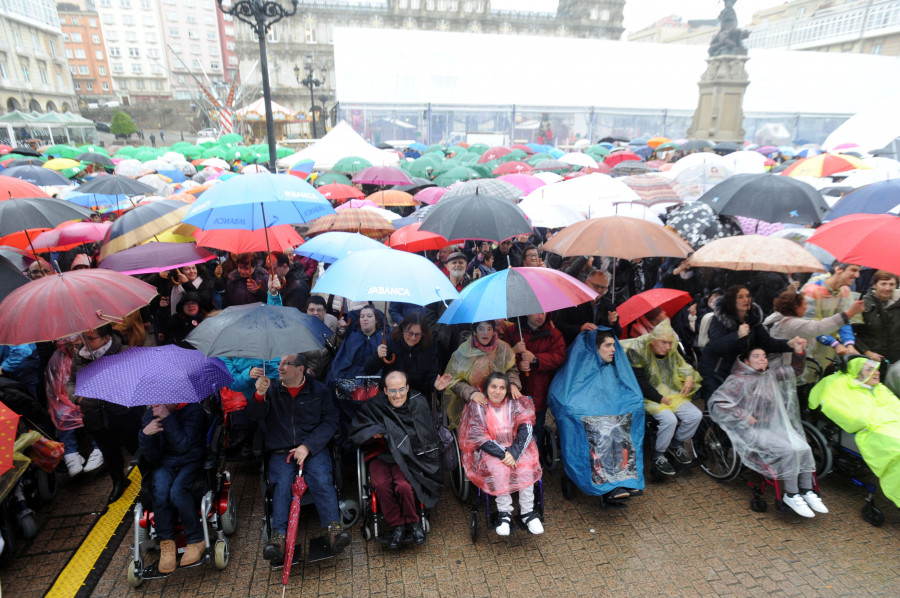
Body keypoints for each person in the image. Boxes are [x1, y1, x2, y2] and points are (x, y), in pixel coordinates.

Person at [245, 353, 350, 562]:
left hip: (312, 448)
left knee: (320, 478)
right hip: (280, 450)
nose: (280, 367)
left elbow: (330, 422)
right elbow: (252, 418)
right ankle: (278, 539)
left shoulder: (319, 390)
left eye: (286, 364)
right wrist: (258, 396)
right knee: (282, 484)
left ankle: (334, 530)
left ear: (300, 369)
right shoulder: (271, 390)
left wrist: (308, 446)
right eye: (280, 363)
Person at [709, 346, 826, 518]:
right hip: (751, 430)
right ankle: (791, 494)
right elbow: (717, 402)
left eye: (764, 356)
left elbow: (796, 371)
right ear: (746, 361)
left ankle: (807, 491)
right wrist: (743, 415)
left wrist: (799, 352)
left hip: (774, 427)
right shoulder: (738, 380)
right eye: (756, 356)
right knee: (789, 451)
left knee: (803, 447)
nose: (762, 359)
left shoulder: (770, 375)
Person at [349, 370, 443, 548]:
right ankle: (397, 525)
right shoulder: (374, 406)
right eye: (392, 391)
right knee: (381, 485)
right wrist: (374, 434)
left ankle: (413, 522)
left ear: (407, 388)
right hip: (381, 455)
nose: (397, 395)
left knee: (404, 485)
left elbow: (425, 434)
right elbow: (359, 429)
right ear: (385, 391)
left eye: (401, 389)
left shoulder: (418, 402)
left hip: (409, 457)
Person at [458, 372, 543, 536]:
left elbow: (526, 427)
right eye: (493, 387)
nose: (497, 391)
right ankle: (504, 513)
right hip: (491, 450)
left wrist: (514, 453)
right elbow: (478, 435)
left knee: (526, 469)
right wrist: (503, 454)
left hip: (515, 447)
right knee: (499, 471)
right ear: (486, 389)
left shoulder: (514, 404)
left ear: (507, 390)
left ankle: (527, 512)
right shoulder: (479, 406)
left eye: (502, 388)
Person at [809, 356, 900, 508]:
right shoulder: (839, 385)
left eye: (876, 369)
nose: (877, 373)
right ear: (858, 373)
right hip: (872, 430)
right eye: (870, 370)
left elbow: (895, 406)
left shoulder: (880, 389)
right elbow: (838, 409)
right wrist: (862, 422)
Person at [67, 325, 142, 503]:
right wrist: (77, 398)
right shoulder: (80, 356)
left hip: (124, 412)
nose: (86, 342)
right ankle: (118, 481)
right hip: (95, 415)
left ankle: (149, 478)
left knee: (137, 447)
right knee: (108, 451)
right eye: (84, 338)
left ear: (106, 338)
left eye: (91, 339)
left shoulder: (123, 352)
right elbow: (71, 382)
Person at [624, 320, 703, 476]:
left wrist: (689, 377)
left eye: (670, 343)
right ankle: (658, 454)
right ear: (653, 340)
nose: (668, 347)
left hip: (670, 391)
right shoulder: (637, 350)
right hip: (647, 395)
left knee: (695, 415)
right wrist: (658, 397)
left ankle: (677, 443)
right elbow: (639, 381)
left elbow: (683, 364)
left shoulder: (671, 349)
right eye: (664, 342)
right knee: (669, 420)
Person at [699, 286, 804, 400]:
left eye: (748, 296)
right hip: (716, 371)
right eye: (740, 297)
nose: (746, 300)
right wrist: (736, 336)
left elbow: (767, 343)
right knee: (718, 406)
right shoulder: (721, 319)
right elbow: (714, 346)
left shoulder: (753, 319)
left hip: (739, 372)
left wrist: (789, 344)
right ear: (731, 301)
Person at [138, 402, 208, 573]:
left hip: (191, 460)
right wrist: (145, 435)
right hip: (165, 463)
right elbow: (152, 458)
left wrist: (168, 419)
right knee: (160, 492)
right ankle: (166, 543)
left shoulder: (194, 411)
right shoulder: (149, 416)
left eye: (161, 400)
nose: (156, 405)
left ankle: (196, 538)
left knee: (177, 492)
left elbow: (183, 446)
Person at [499, 313, 566, 459]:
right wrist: (515, 356)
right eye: (536, 311)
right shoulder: (512, 332)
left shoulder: (554, 334)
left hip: (540, 389)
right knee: (514, 426)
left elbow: (559, 356)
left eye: (543, 312)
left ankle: (536, 459)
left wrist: (536, 359)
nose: (540, 316)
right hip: (518, 388)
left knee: (536, 426)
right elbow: (500, 358)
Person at [440, 320, 522, 430]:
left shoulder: (503, 348)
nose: (485, 333)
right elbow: (452, 381)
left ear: (494, 331)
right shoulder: (462, 353)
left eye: (489, 329)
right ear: (474, 331)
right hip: (471, 404)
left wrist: (512, 384)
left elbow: (511, 370)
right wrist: (471, 393)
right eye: (481, 329)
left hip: (499, 399)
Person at [45, 335, 103, 477]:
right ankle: (71, 454)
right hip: (67, 398)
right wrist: (71, 401)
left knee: (95, 409)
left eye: (77, 345)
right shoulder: (56, 360)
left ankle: (100, 448)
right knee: (62, 414)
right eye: (71, 346)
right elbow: (56, 389)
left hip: (89, 396)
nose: (74, 348)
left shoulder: (89, 352)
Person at [763, 290, 865, 368]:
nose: (806, 308)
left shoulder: (778, 317)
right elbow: (819, 327)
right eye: (805, 304)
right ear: (795, 306)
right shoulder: (792, 323)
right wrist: (849, 313)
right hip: (784, 371)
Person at [800, 262, 863, 382]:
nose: (857, 275)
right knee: (805, 384)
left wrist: (849, 345)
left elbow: (845, 320)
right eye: (853, 270)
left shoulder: (845, 291)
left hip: (826, 350)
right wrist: (836, 344)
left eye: (858, 271)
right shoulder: (812, 289)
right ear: (839, 269)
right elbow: (810, 326)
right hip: (806, 346)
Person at [365, 312, 438, 399]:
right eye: (409, 333)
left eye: (417, 334)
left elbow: (432, 374)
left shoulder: (429, 346)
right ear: (403, 329)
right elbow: (369, 370)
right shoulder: (390, 342)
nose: (413, 338)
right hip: (392, 396)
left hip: (418, 397)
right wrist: (377, 356)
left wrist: (436, 384)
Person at [553, 268, 621, 345]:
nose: (599, 290)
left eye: (603, 288)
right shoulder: (572, 301)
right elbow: (559, 325)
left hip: (600, 349)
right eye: (596, 286)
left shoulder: (609, 305)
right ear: (587, 282)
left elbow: (617, 334)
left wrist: (614, 323)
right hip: (575, 346)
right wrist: (580, 328)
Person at [853, 270, 900, 363]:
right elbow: (852, 333)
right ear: (874, 285)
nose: (887, 288)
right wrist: (867, 352)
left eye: (891, 284)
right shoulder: (863, 304)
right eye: (883, 284)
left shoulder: (898, 305)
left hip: (895, 360)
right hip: (870, 359)